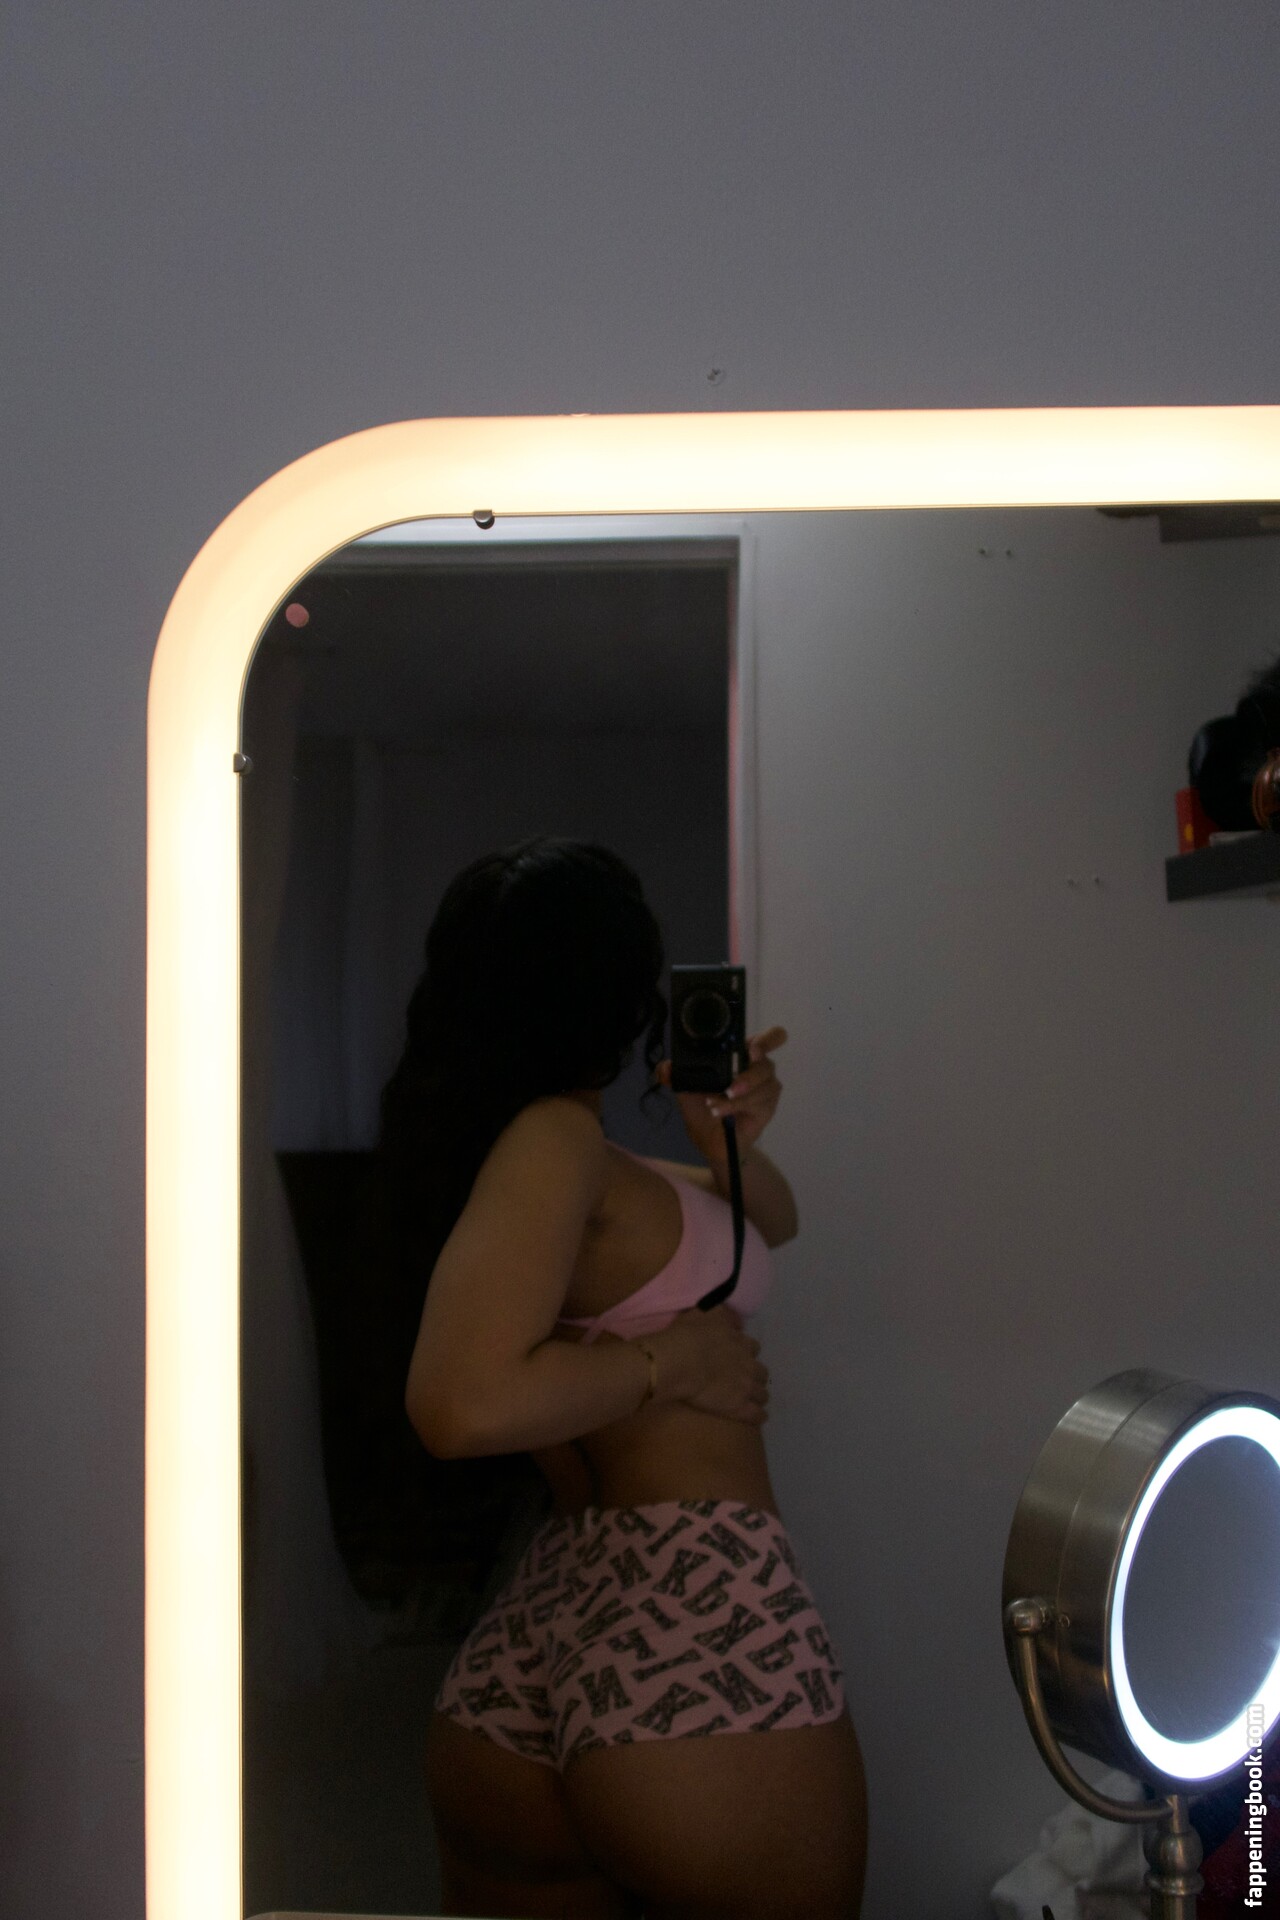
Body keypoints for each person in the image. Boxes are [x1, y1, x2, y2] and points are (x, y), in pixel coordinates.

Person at [380, 835, 868, 1919]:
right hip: (694, 1600)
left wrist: (720, 1135)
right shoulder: (554, 1144)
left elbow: (770, 1222)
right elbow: (458, 1404)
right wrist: (666, 1360)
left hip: (560, 1613)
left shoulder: (570, 1160)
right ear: (621, 992)